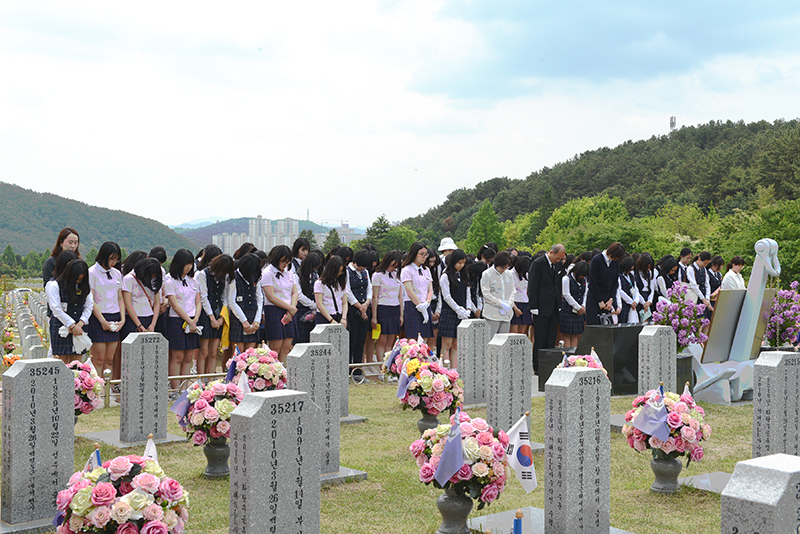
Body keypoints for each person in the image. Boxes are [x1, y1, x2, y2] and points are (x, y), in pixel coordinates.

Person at [164, 248, 201, 390]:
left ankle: (184, 389)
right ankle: (174, 388)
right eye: (186, 264)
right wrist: (189, 321)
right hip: (177, 321)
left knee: (188, 357)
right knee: (177, 356)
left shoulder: (193, 281)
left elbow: (198, 302)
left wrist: (195, 319)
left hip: (193, 321)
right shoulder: (170, 281)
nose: (189, 267)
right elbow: (175, 305)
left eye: (191, 264)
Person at [87, 241, 125, 379]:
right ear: (103, 256)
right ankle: (97, 391)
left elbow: (120, 298)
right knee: (98, 359)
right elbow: (90, 300)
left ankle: (106, 392)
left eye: (116, 259)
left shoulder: (116, 273)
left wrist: (122, 319)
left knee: (110, 359)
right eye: (111, 259)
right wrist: (102, 321)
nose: (114, 262)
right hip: (98, 317)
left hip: (115, 317)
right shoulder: (92, 272)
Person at [46, 254, 93, 365]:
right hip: (61, 327)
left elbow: (89, 305)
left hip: (80, 326)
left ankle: (75, 383)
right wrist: (72, 325)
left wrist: (81, 323)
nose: (78, 281)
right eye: (76, 278)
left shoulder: (85, 286)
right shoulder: (55, 285)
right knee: (61, 364)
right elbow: (56, 309)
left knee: (76, 364)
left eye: (81, 279)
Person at [527, 244, 566, 372]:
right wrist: (533, 306)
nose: (559, 260)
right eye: (558, 258)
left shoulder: (558, 265)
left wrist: (559, 304)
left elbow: (558, 284)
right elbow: (532, 286)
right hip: (541, 305)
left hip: (554, 306)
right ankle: (538, 365)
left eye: (561, 259)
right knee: (540, 337)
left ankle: (550, 364)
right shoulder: (538, 264)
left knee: (551, 336)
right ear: (551, 252)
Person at [196, 252, 233, 377]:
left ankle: (211, 379)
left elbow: (225, 297)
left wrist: (222, 318)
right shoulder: (203, 274)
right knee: (204, 351)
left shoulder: (225, 276)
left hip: (219, 314)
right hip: (206, 314)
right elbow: (203, 298)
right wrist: (211, 318)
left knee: (214, 352)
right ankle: (200, 380)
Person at [438, 249, 474, 369]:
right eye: (459, 262)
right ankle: (444, 370)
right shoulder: (445, 276)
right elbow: (447, 297)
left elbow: (468, 293)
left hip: (462, 313)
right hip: (449, 312)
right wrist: (457, 309)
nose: (461, 265)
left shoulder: (464, 275)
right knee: (446, 344)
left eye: (463, 263)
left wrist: (468, 309)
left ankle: (454, 370)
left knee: (456, 345)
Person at [261, 245, 298, 363]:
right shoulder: (267, 272)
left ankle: (284, 376)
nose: (285, 264)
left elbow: (295, 292)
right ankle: (273, 375)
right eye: (283, 261)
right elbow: (271, 296)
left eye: (287, 262)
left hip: (290, 311)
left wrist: (291, 311)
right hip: (274, 310)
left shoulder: (290, 273)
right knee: (275, 348)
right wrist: (291, 308)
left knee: (287, 347)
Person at [371, 251, 403, 363]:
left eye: (395, 266)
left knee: (390, 342)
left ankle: (388, 366)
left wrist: (401, 315)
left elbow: (400, 296)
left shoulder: (397, 275)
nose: (393, 268)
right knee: (382, 341)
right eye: (392, 265)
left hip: (395, 308)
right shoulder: (377, 275)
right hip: (383, 308)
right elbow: (375, 297)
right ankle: (381, 367)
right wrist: (374, 316)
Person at [228, 253, 263, 352]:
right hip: (238, 318)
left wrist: (257, 320)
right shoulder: (233, 277)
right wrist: (244, 321)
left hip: (253, 317)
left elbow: (260, 299)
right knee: (238, 356)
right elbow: (231, 302)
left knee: (250, 355)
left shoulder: (256, 277)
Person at [121, 258, 162, 343]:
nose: (152, 278)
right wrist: (139, 325)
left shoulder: (154, 279)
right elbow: (128, 304)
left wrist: (153, 324)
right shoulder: (129, 279)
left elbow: (157, 303)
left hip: (150, 318)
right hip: (133, 319)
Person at [401, 242, 435, 345]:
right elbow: (409, 291)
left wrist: (427, 303)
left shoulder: (426, 270)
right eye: (422, 254)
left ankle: (423, 360)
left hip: (425, 305)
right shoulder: (407, 270)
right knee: (413, 340)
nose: (424, 257)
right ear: (414, 254)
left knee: (425, 339)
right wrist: (420, 305)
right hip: (413, 306)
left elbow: (430, 289)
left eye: (426, 254)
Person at [346, 250, 374, 373]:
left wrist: (366, 304)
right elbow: (347, 291)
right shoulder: (347, 272)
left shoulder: (365, 272)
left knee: (360, 342)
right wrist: (359, 306)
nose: (364, 268)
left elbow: (369, 289)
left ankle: (357, 370)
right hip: (352, 310)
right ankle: (347, 371)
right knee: (351, 341)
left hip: (364, 308)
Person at [586, 242, 625, 325]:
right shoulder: (597, 260)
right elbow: (593, 282)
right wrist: (600, 300)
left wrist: (611, 299)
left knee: (607, 327)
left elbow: (615, 282)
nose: (615, 259)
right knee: (594, 326)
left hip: (608, 299)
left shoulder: (616, 262)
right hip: (594, 297)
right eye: (614, 257)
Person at [481, 251, 516, 338]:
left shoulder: (509, 274)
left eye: (506, 267)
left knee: (503, 340)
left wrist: (509, 304)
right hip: (492, 313)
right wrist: (501, 303)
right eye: (501, 267)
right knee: (491, 340)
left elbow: (513, 291)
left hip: (506, 314)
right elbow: (486, 293)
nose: (503, 269)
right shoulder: (487, 274)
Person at [559, 260, 589, 348]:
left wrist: (583, 306)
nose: (582, 276)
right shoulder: (566, 279)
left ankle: (574, 357)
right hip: (567, 310)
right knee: (567, 335)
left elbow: (585, 293)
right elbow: (566, 294)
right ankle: (567, 356)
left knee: (576, 334)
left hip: (579, 311)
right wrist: (578, 307)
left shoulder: (584, 280)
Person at [295, 252, 323, 344]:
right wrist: (314, 305)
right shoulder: (297, 276)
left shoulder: (315, 275)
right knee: (300, 342)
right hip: (301, 312)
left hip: (314, 313)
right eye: (313, 267)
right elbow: (299, 296)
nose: (315, 270)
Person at [314, 255, 349, 326]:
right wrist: (331, 320)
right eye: (337, 271)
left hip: (338, 315)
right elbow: (319, 304)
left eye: (341, 271)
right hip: (324, 317)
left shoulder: (341, 283)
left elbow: (344, 302)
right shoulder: (319, 283)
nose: (339, 274)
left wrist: (344, 318)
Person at [510, 255, 532, 335]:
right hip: (515, 303)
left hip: (525, 303)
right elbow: (509, 293)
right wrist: (515, 308)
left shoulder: (526, 274)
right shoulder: (510, 274)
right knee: (514, 331)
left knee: (522, 332)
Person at [617, 256, 640, 324]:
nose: (630, 271)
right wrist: (630, 301)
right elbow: (620, 290)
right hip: (624, 304)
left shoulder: (631, 276)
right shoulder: (619, 276)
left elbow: (636, 289)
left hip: (632, 303)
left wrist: (636, 301)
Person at [635, 253, 655, 321]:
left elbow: (652, 289)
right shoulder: (636, 274)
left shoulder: (649, 274)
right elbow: (636, 290)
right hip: (639, 298)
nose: (649, 269)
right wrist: (643, 303)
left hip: (647, 298)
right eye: (648, 267)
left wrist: (649, 301)